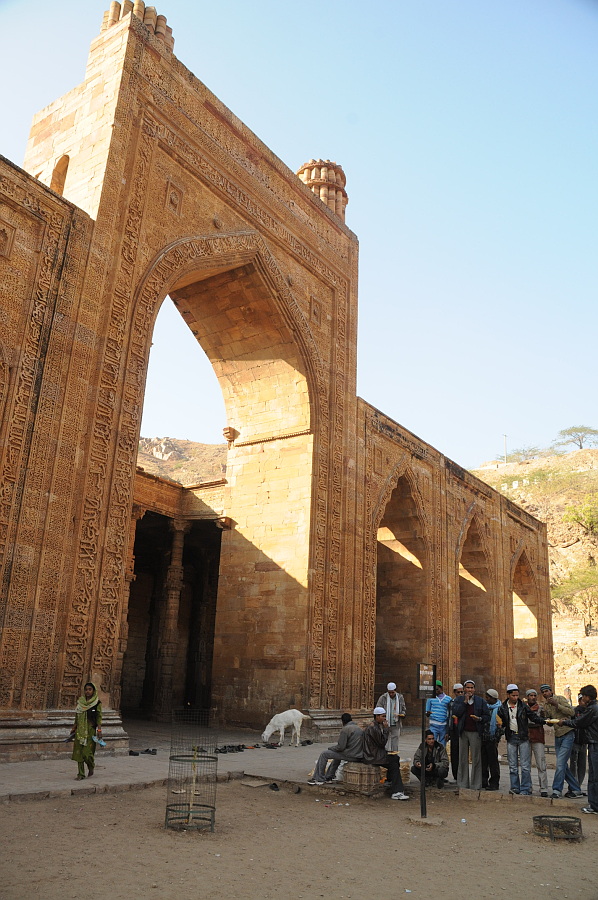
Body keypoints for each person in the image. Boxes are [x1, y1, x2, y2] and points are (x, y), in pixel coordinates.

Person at [557, 684, 598, 815]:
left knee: (594, 776)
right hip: (593, 743)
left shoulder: (592, 709)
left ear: (587, 697)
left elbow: (579, 723)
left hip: (594, 744)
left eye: (583, 696)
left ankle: (594, 806)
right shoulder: (594, 708)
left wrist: (563, 722)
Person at [500, 684, 546, 795]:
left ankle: (525, 788)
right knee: (513, 766)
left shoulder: (523, 706)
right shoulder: (503, 707)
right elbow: (502, 721)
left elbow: (533, 717)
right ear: (508, 695)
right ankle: (515, 787)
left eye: (517, 695)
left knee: (525, 766)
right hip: (511, 737)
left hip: (523, 737)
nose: (515, 698)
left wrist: (545, 721)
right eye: (513, 695)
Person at [540, 683, 583, 799]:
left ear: (551, 691)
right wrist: (547, 719)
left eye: (546, 691)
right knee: (562, 764)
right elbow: (550, 721)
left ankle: (556, 790)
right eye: (543, 692)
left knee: (560, 763)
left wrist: (556, 705)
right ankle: (576, 789)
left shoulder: (560, 699)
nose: (545, 694)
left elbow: (571, 712)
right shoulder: (546, 705)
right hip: (558, 735)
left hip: (567, 733)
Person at [362, 706, 409, 800]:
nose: (384, 718)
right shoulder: (373, 728)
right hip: (373, 756)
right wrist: (386, 729)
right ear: (377, 716)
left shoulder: (375, 726)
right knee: (393, 764)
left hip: (375, 754)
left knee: (395, 758)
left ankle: (390, 781)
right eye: (383, 716)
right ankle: (397, 791)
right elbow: (382, 742)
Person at [451, 679, 489, 790]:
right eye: (468, 688)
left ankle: (475, 784)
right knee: (462, 758)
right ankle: (463, 783)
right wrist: (465, 702)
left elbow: (487, 716)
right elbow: (456, 713)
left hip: (475, 732)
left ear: (474, 689)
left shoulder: (480, 701)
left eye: (471, 688)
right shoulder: (459, 700)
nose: (470, 690)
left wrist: (479, 719)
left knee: (476, 758)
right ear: (464, 689)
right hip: (463, 731)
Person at [307, 713, 364, 785]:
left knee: (324, 754)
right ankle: (329, 777)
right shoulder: (359, 728)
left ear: (343, 721)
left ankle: (319, 778)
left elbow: (341, 747)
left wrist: (331, 748)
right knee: (337, 757)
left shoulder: (346, 729)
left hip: (351, 755)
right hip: (358, 755)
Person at [70, 681, 102, 780]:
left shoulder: (97, 703)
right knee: (79, 752)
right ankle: (80, 774)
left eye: (90, 689)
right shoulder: (80, 702)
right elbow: (77, 715)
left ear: (93, 691)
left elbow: (99, 717)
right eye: (86, 689)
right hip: (80, 729)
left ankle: (91, 765)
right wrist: (74, 727)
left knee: (87, 753)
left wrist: (99, 730)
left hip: (90, 730)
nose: (87, 691)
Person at [524, 688, 548, 797]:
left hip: (538, 737)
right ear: (527, 697)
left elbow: (543, 720)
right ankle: (528, 786)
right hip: (526, 738)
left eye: (534, 695)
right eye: (531, 695)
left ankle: (544, 788)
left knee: (541, 764)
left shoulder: (540, 708)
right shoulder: (523, 708)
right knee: (526, 764)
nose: (533, 697)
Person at [481, 688, 503, 791]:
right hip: (484, 737)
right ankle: (483, 781)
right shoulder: (485, 707)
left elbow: (502, 725)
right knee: (483, 761)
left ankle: (494, 782)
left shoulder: (500, 709)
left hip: (493, 738)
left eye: (488, 697)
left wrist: (496, 737)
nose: (486, 699)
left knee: (493, 761)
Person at [376, 682, 406, 751]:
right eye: (389, 692)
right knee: (385, 740)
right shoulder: (383, 697)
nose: (391, 694)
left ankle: (394, 754)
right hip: (385, 722)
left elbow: (403, 708)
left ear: (395, 691)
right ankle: (385, 754)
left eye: (392, 692)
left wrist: (402, 714)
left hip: (396, 722)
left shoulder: (400, 697)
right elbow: (378, 708)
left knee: (395, 740)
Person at [570, 693, 588, 790]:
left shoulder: (589, 711)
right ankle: (573, 786)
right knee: (574, 765)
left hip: (584, 742)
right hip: (575, 740)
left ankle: (579, 786)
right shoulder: (575, 711)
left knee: (582, 766)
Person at [425, 680, 452, 745]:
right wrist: (427, 713)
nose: (435, 691)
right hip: (433, 724)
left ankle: (441, 752)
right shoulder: (430, 698)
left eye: (437, 689)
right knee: (432, 742)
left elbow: (450, 713)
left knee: (442, 743)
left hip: (444, 725)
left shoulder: (448, 699)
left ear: (441, 688)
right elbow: (426, 711)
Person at [447, 683, 464, 781]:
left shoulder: (466, 702)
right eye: (458, 692)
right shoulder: (451, 703)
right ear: (454, 692)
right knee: (454, 752)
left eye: (462, 692)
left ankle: (463, 774)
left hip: (462, 730)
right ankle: (456, 774)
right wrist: (448, 730)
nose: (460, 694)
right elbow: (449, 716)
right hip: (454, 729)